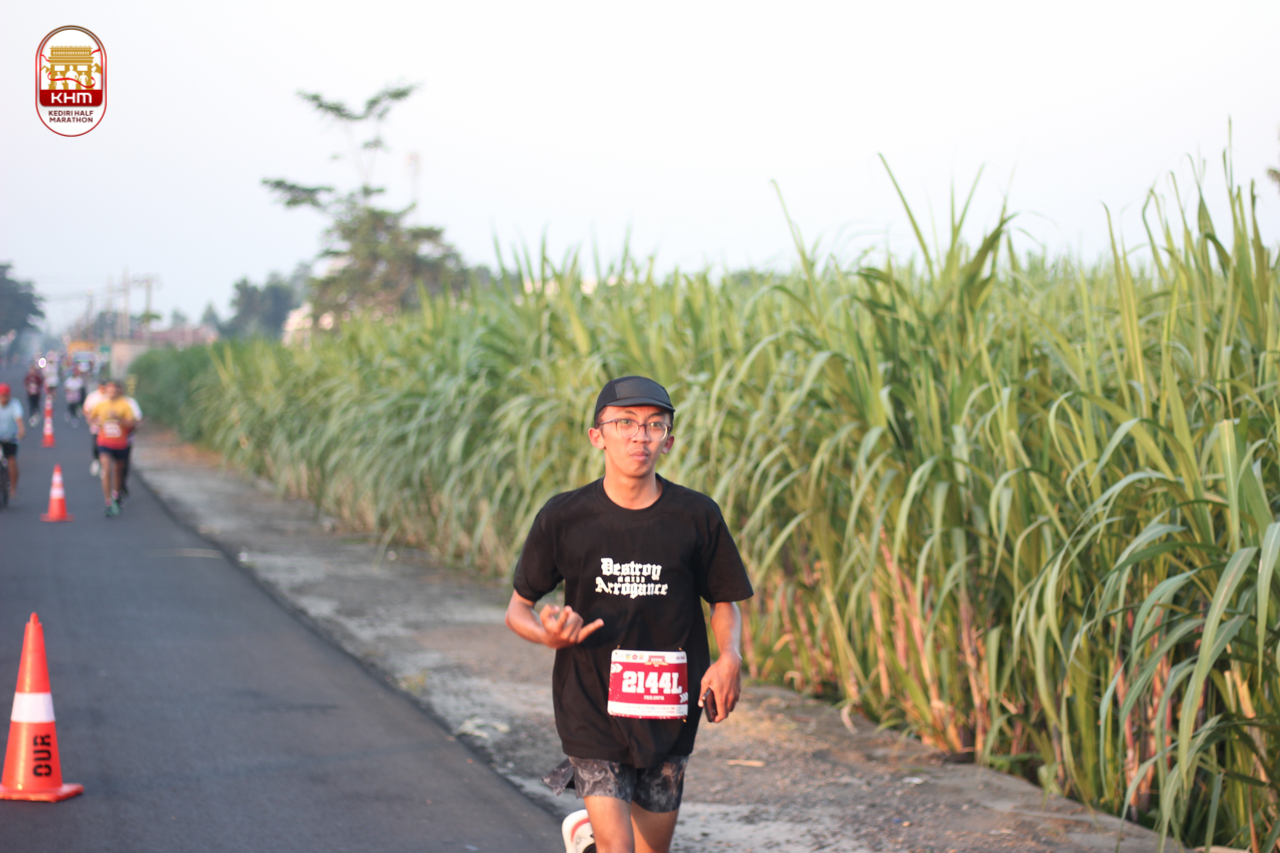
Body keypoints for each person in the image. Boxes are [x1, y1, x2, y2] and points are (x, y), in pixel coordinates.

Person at [505, 376, 753, 853]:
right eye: (625, 423)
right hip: (590, 702)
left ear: (669, 441)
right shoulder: (564, 516)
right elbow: (518, 608)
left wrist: (729, 657)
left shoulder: (696, 516)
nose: (640, 436)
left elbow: (724, 600)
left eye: (654, 425)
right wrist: (547, 636)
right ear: (597, 436)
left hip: (669, 706)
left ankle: (589, 840)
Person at [86, 379, 135, 517]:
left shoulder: (125, 405)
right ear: (106, 391)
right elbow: (90, 416)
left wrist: (119, 418)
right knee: (106, 470)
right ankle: (108, 501)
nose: (112, 392)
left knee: (118, 472)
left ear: (119, 391)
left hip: (120, 443)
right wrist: (95, 423)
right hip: (104, 442)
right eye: (109, 390)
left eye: (114, 390)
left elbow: (132, 424)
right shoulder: (100, 405)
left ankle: (116, 495)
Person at [0, 383, 26, 497]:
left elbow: (18, 418)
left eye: (6, 395)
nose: (4, 398)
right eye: (2, 395)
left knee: (11, 461)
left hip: (11, 437)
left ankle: (13, 488)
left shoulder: (14, 404)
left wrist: (21, 430)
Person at [83, 378, 106, 477]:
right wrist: (90, 419)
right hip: (96, 426)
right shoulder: (93, 397)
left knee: (105, 447)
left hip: (107, 428)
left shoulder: (110, 397)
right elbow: (86, 409)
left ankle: (104, 467)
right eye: (102, 387)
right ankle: (96, 461)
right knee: (96, 445)